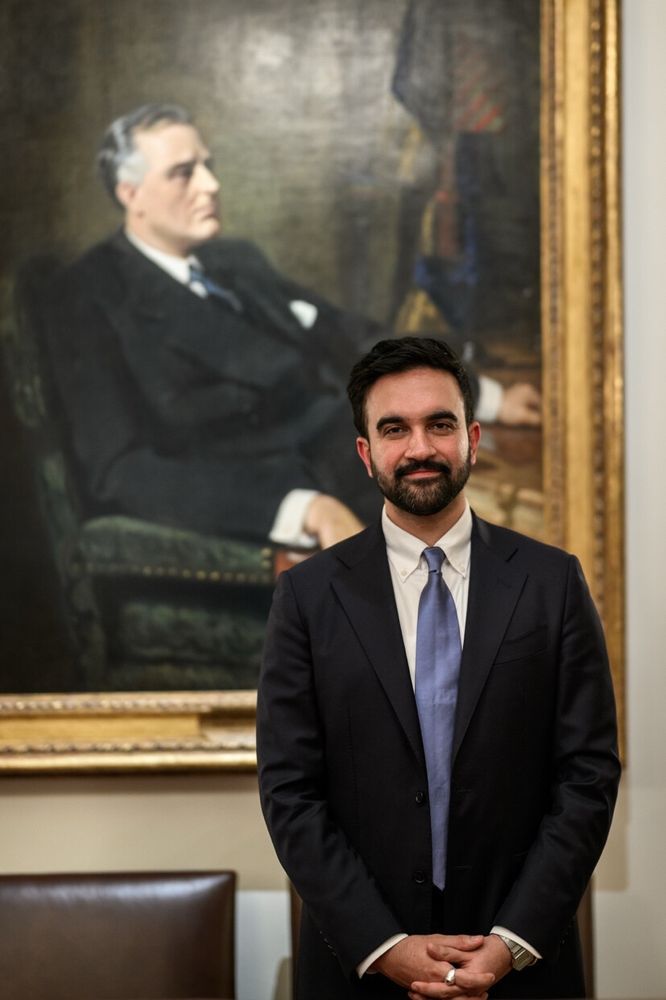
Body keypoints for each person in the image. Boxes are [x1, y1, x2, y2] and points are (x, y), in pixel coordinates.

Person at [256, 336, 620, 999]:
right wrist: (384, 945)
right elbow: (290, 791)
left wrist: (511, 943)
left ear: (472, 439)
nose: (420, 447)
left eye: (440, 424)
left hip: (519, 969)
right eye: (394, 429)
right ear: (366, 453)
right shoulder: (307, 599)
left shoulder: (552, 584)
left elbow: (587, 776)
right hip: (359, 969)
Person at [43, 103, 538, 552]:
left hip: (364, 453)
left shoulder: (234, 260)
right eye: (183, 174)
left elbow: (344, 333)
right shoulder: (89, 297)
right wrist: (300, 508)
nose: (211, 186)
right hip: (288, 501)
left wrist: (482, 393)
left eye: (208, 166)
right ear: (131, 194)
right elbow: (121, 471)